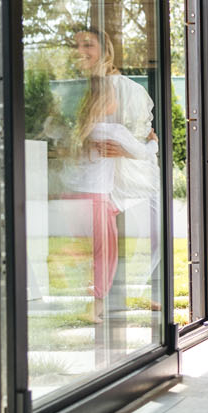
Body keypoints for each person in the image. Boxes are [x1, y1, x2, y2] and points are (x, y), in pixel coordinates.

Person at [50, 28, 160, 323]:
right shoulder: (113, 130)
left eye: (87, 44)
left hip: (74, 197)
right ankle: (94, 305)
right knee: (105, 252)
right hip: (98, 198)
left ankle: (81, 289)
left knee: (86, 250)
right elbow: (142, 150)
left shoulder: (87, 130)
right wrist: (153, 142)